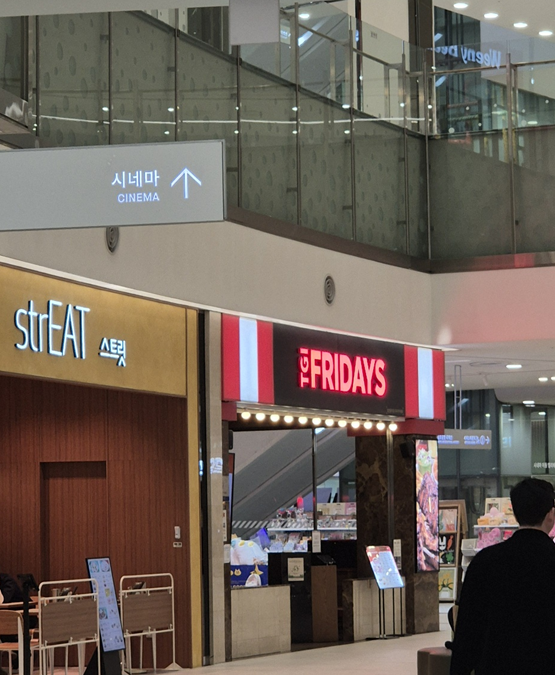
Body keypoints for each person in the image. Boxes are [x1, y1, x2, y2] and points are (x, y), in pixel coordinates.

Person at [449, 478, 555, 675]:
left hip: (496, 666)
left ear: (515, 512)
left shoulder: (484, 562)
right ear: (550, 514)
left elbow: (468, 631)